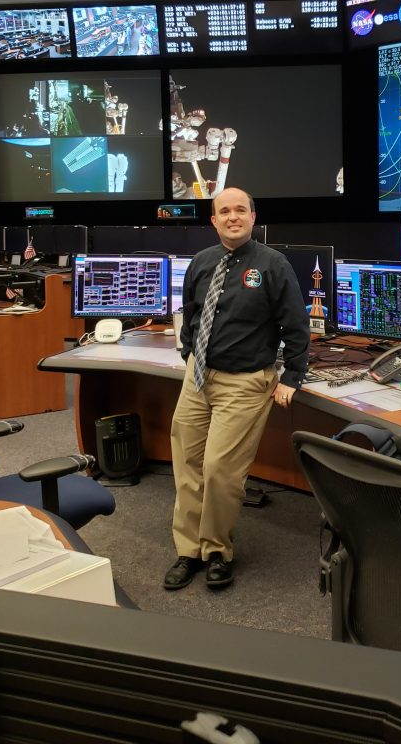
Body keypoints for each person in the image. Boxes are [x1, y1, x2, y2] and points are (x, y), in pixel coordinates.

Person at [164, 187, 310, 591]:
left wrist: (292, 377)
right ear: (213, 220)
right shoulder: (201, 262)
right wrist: (190, 355)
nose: (232, 216)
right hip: (198, 378)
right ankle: (187, 550)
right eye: (224, 211)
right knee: (187, 465)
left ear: (252, 216)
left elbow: (295, 325)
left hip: (244, 383)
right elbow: (191, 315)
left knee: (220, 472)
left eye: (240, 210)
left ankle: (216, 551)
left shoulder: (272, 264)